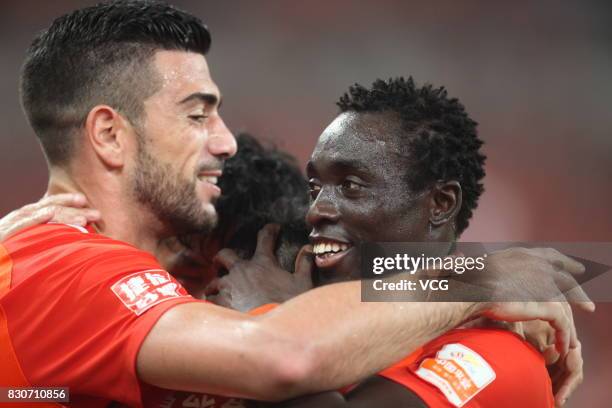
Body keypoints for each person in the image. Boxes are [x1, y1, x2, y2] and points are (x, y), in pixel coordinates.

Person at [0, 2, 589, 407]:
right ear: (108, 133)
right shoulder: (67, 261)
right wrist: (475, 277)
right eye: (197, 113)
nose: (223, 139)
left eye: (351, 187)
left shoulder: (493, 355)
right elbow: (282, 354)